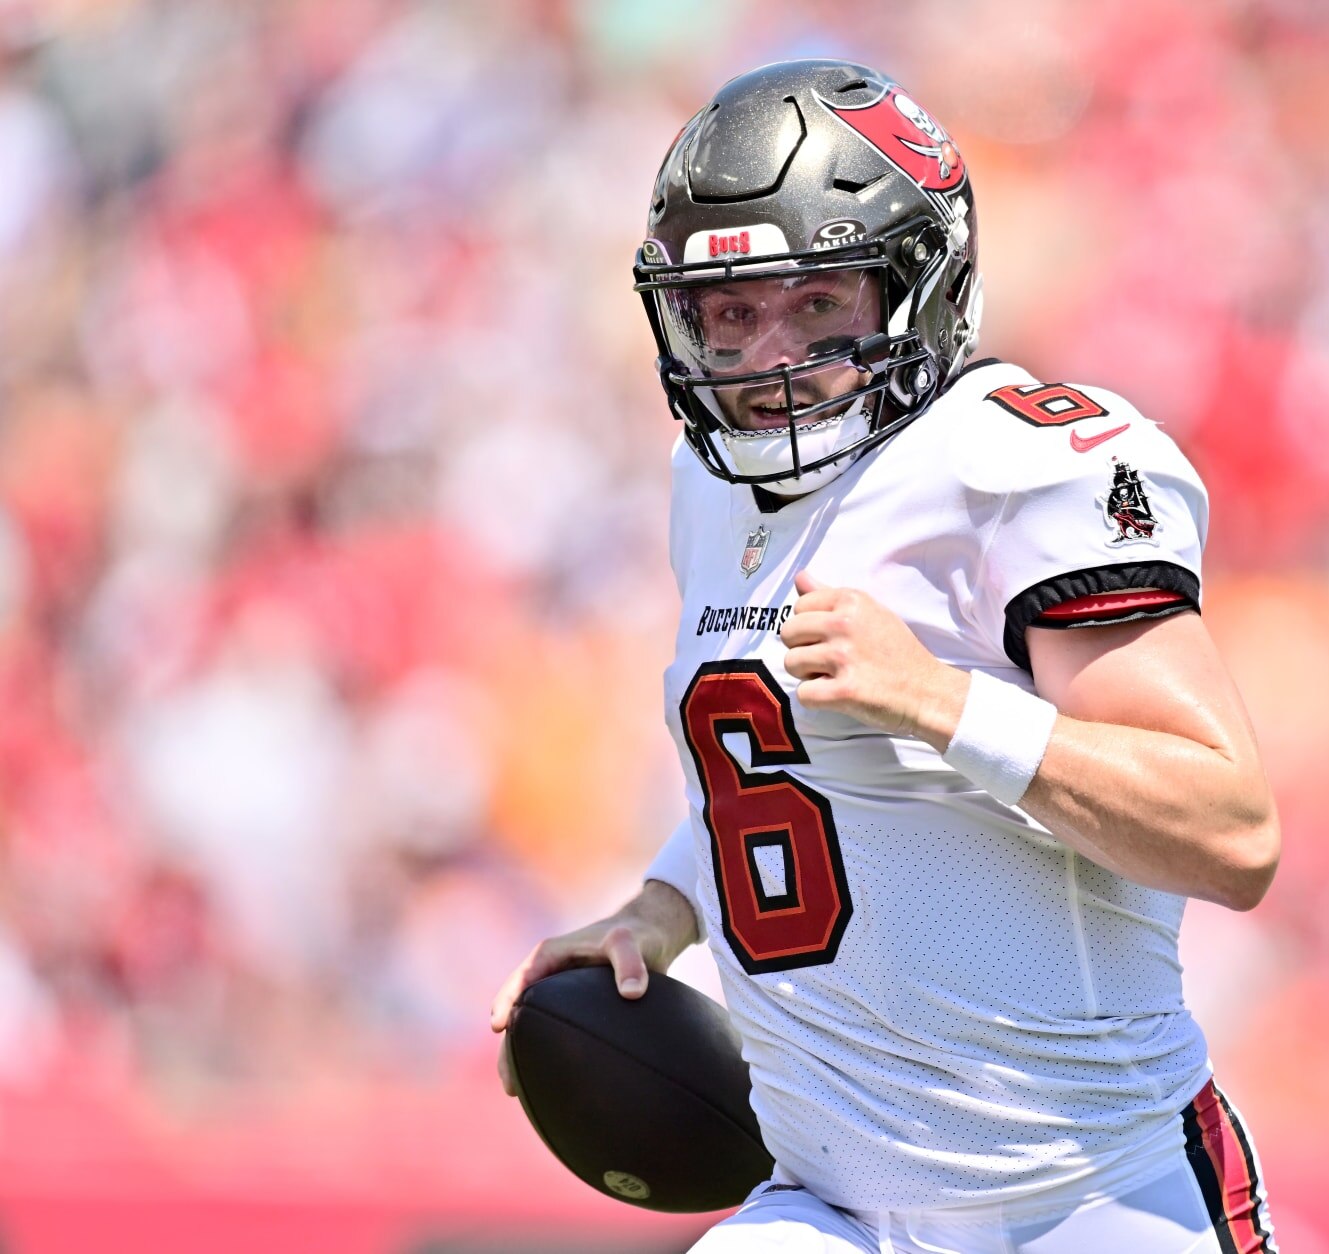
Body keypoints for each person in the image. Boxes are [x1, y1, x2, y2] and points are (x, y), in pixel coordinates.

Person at [490, 59, 1281, 1254]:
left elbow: (1230, 833)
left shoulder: (1024, 469)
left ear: (921, 285)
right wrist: (657, 914)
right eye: (732, 312)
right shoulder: (712, 487)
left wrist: (943, 702)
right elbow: (793, 776)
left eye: (819, 304)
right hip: (832, 1209)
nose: (768, 358)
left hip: (1091, 1198)